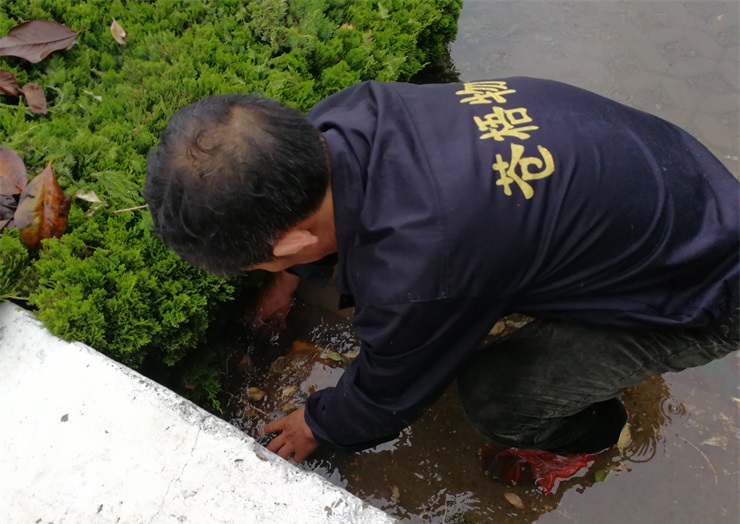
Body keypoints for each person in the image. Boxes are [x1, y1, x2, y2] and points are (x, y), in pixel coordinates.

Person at [144, 78, 739, 490]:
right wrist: (283, 284)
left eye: (260, 267)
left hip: (708, 285)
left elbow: (387, 396)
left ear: (293, 243)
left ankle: (590, 437)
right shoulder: (346, 117)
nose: (268, 275)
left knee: (495, 399)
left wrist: (317, 422)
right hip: (683, 176)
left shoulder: (421, 269)